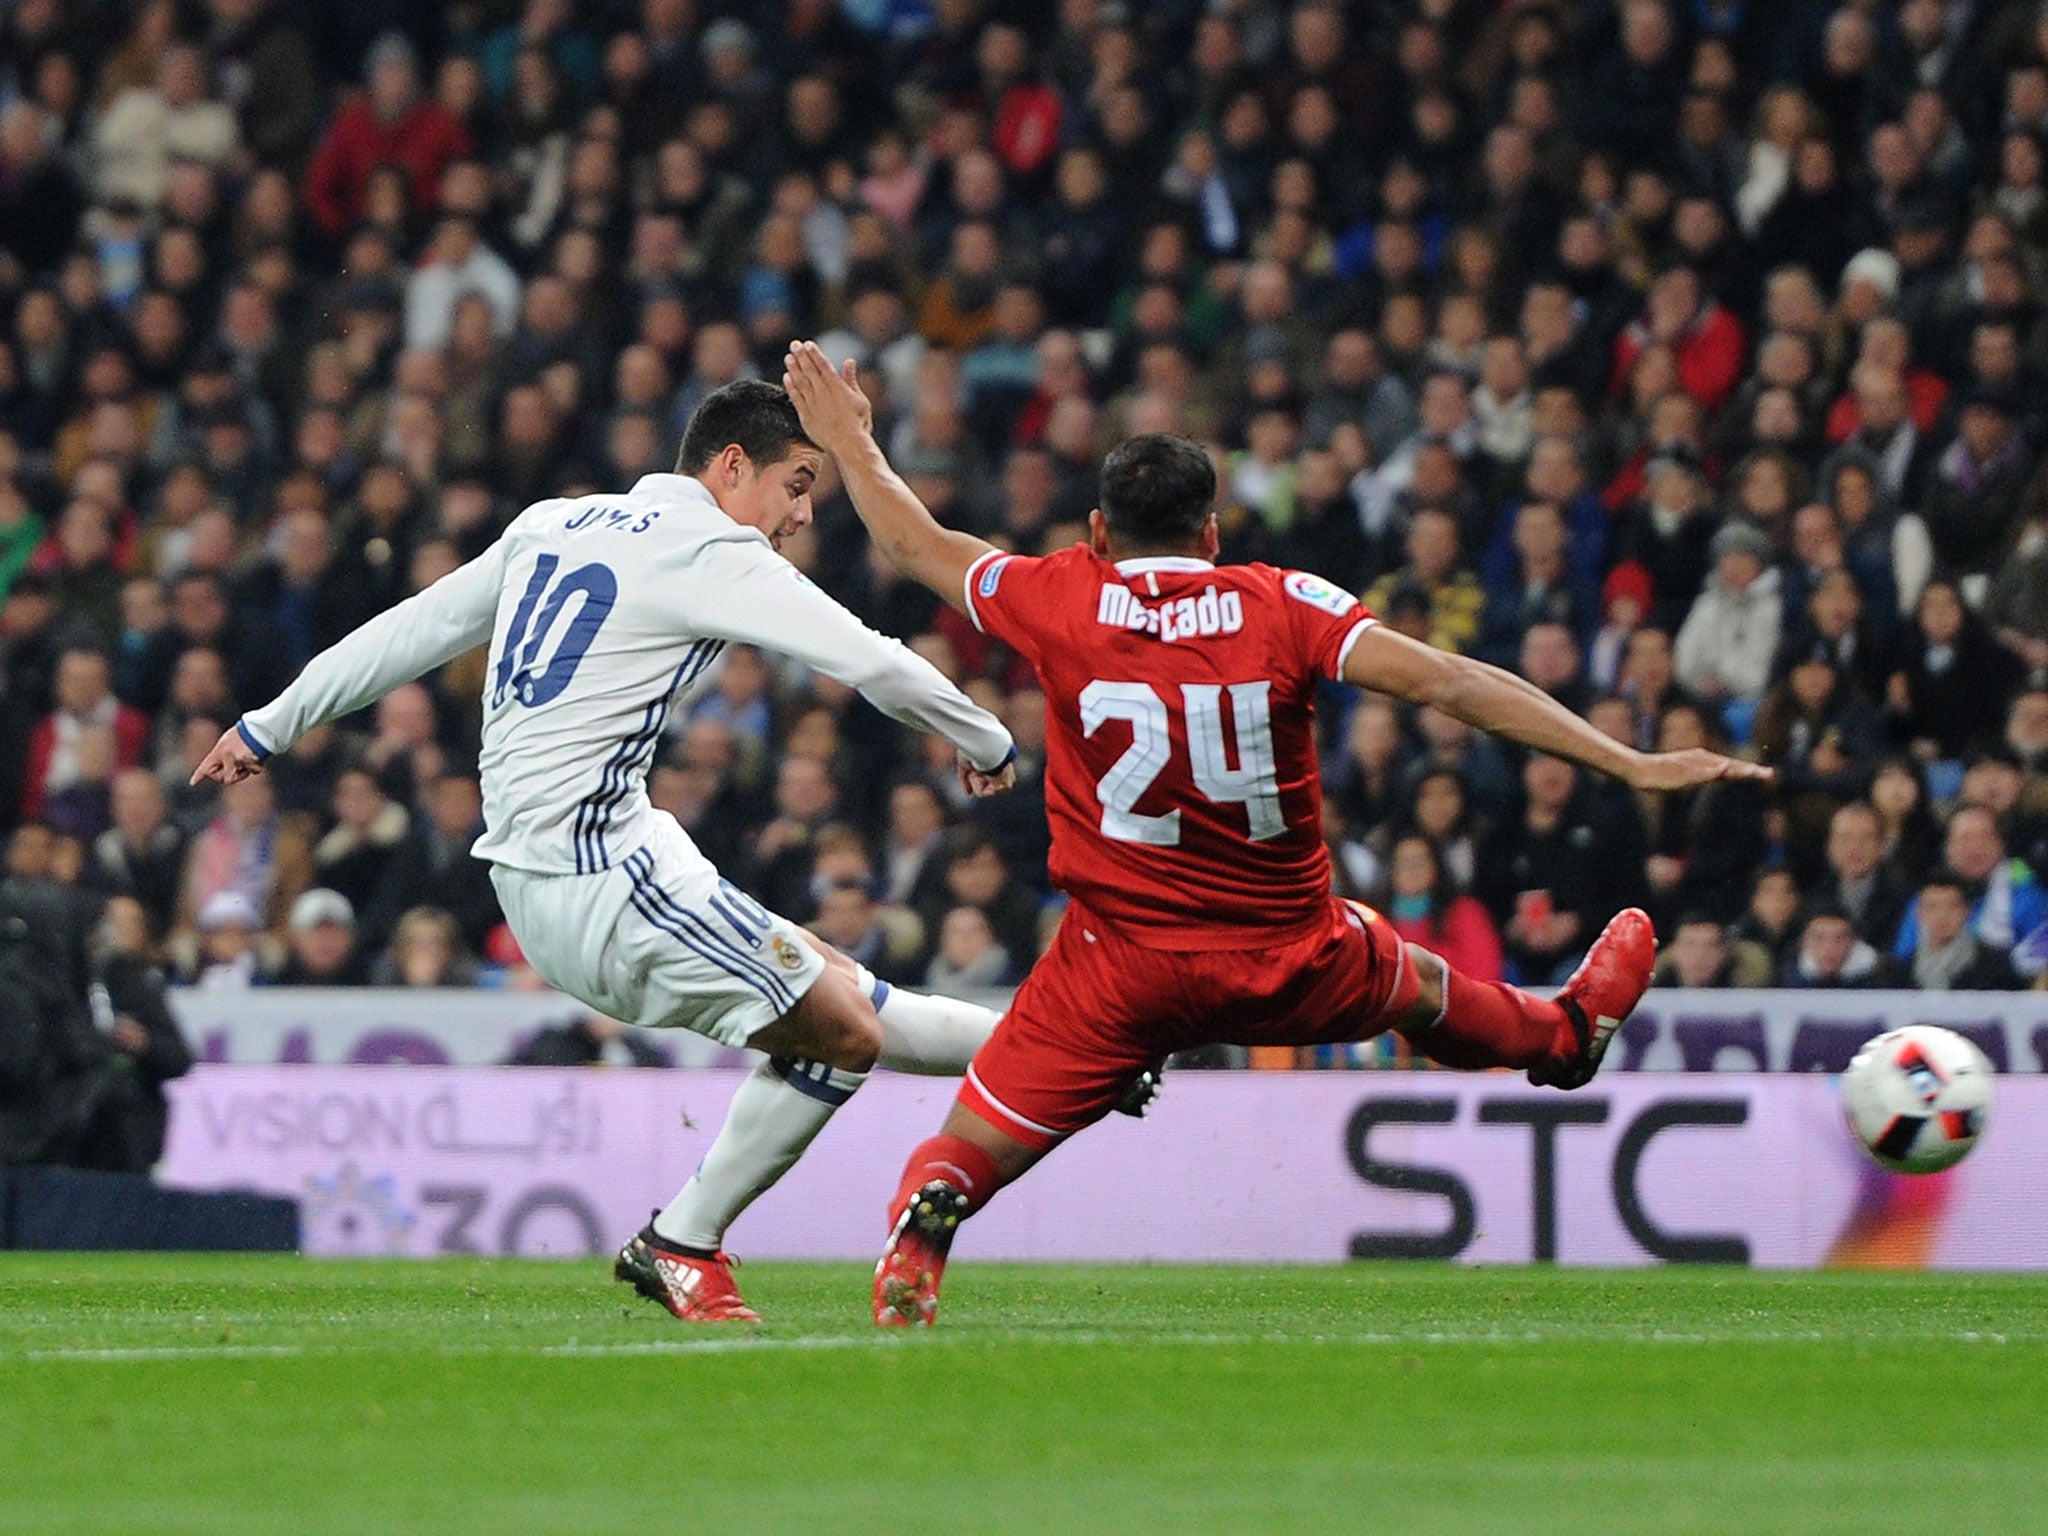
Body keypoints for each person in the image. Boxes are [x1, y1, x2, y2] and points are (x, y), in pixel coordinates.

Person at [780, 342, 1768, 1327]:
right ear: (1210, 531)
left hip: (1113, 967)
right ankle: (1562, 1039)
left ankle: (925, 1228)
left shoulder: (1058, 596)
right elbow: (1452, 683)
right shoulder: (1279, 603)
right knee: (1419, 986)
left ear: (1094, 530)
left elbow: (912, 544)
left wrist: (849, 440)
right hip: (1290, 954)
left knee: (969, 1144)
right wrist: (1628, 764)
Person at [190, 380, 1027, 1325]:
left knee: (846, 997)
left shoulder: (557, 520)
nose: (799, 517)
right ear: (730, 465)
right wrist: (987, 739)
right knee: (840, 1033)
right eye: (796, 486)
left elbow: (414, 629)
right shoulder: (710, 547)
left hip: (571, 865)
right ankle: (681, 1241)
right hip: (598, 879)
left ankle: (1062, 1059)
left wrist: (268, 724)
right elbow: (869, 658)